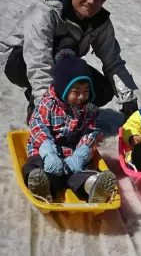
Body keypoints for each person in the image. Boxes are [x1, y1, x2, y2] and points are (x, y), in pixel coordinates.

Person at [0, 0, 138, 125]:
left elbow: (113, 61)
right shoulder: (46, 12)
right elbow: (38, 62)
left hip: (61, 64)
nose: (92, 1)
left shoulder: (101, 22)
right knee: (40, 65)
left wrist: (129, 101)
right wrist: (46, 108)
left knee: (103, 90)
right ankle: (38, 99)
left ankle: (68, 107)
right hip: (19, 61)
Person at [23, 49, 117, 203]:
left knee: (84, 170)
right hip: (45, 150)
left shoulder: (87, 110)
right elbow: (38, 126)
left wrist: (81, 153)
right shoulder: (48, 104)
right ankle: (41, 185)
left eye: (86, 91)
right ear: (62, 89)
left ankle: (92, 185)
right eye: (76, 92)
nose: (82, 97)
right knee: (37, 164)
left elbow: (90, 133)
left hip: (71, 154)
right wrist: (48, 151)